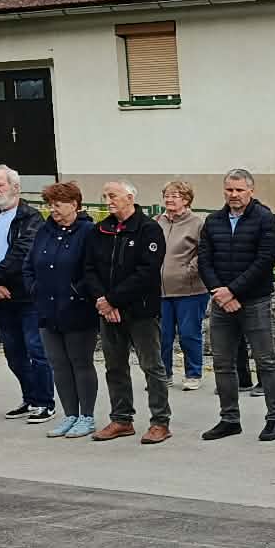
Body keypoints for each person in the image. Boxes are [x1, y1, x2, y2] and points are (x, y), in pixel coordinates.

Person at [196, 168, 275, 442]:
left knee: (266, 362)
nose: (233, 195)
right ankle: (229, 419)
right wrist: (220, 292)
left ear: (251, 191)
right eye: (229, 190)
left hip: (254, 300)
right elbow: (204, 259)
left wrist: (233, 291)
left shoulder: (264, 219)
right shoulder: (213, 221)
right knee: (223, 363)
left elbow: (265, 260)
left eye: (239, 190)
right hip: (221, 302)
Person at [83, 181, 170, 444]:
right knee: (115, 367)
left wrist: (113, 300)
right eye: (105, 196)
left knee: (151, 366)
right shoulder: (100, 230)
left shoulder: (149, 229)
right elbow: (89, 269)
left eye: (113, 195)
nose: (108, 201)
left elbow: (146, 272)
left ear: (130, 197)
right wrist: (102, 301)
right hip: (108, 312)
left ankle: (160, 422)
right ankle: (121, 419)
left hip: (140, 311)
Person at [0, 165, 54, 421]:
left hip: (26, 295)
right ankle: (29, 397)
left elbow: (21, 253)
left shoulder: (31, 217)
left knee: (36, 349)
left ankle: (45, 401)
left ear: (15, 187)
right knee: (13, 352)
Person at [28, 182, 100, 439]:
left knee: (81, 363)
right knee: (58, 364)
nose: (53, 209)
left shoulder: (88, 232)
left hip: (78, 310)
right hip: (47, 309)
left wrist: (78, 293)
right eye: (50, 204)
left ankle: (87, 416)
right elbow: (29, 265)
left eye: (58, 204)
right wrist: (35, 290)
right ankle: (70, 414)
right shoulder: (44, 231)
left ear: (74, 205)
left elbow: (93, 269)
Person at [157, 181, 208, 392]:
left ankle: (193, 374)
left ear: (186, 200)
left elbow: (204, 252)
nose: (169, 200)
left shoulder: (197, 223)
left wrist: (188, 271)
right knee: (162, 336)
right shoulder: (157, 221)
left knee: (189, 334)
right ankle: (164, 374)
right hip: (161, 290)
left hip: (190, 290)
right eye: (166, 195)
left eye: (174, 196)